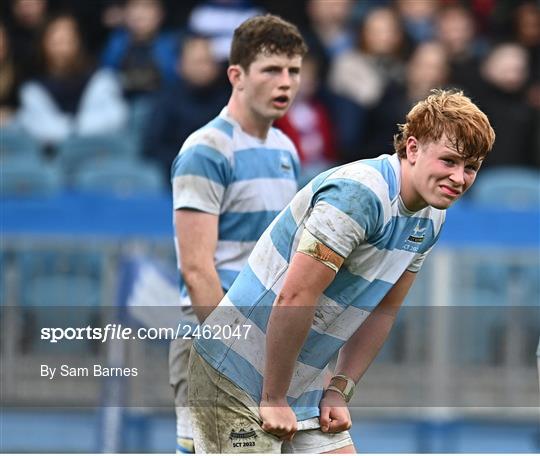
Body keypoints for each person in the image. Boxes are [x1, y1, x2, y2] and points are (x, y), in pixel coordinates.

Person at [188, 89, 495, 453]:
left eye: (471, 167)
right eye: (449, 161)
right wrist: (273, 397)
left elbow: (383, 309)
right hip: (234, 373)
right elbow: (296, 296)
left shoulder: (433, 217)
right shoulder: (357, 195)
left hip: (302, 382)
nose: (459, 178)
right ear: (412, 149)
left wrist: (339, 388)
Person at [169, 14, 307, 454]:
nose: (285, 82)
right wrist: (236, 353)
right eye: (271, 70)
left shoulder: (286, 149)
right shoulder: (206, 149)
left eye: (294, 71)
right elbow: (196, 268)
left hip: (266, 345)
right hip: (216, 342)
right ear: (237, 75)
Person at [18, 14, 128, 147]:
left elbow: (115, 117)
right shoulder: (32, 89)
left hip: (98, 153)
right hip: (50, 157)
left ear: (78, 42)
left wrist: (73, 128)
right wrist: (73, 129)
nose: (62, 48)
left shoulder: (101, 79)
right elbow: (38, 127)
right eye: (56, 41)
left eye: (68, 40)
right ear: (43, 44)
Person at [142, 35, 229, 179]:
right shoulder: (166, 99)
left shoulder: (230, 101)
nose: (203, 68)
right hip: (173, 175)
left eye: (208, 62)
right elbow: (152, 146)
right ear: (180, 65)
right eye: (197, 62)